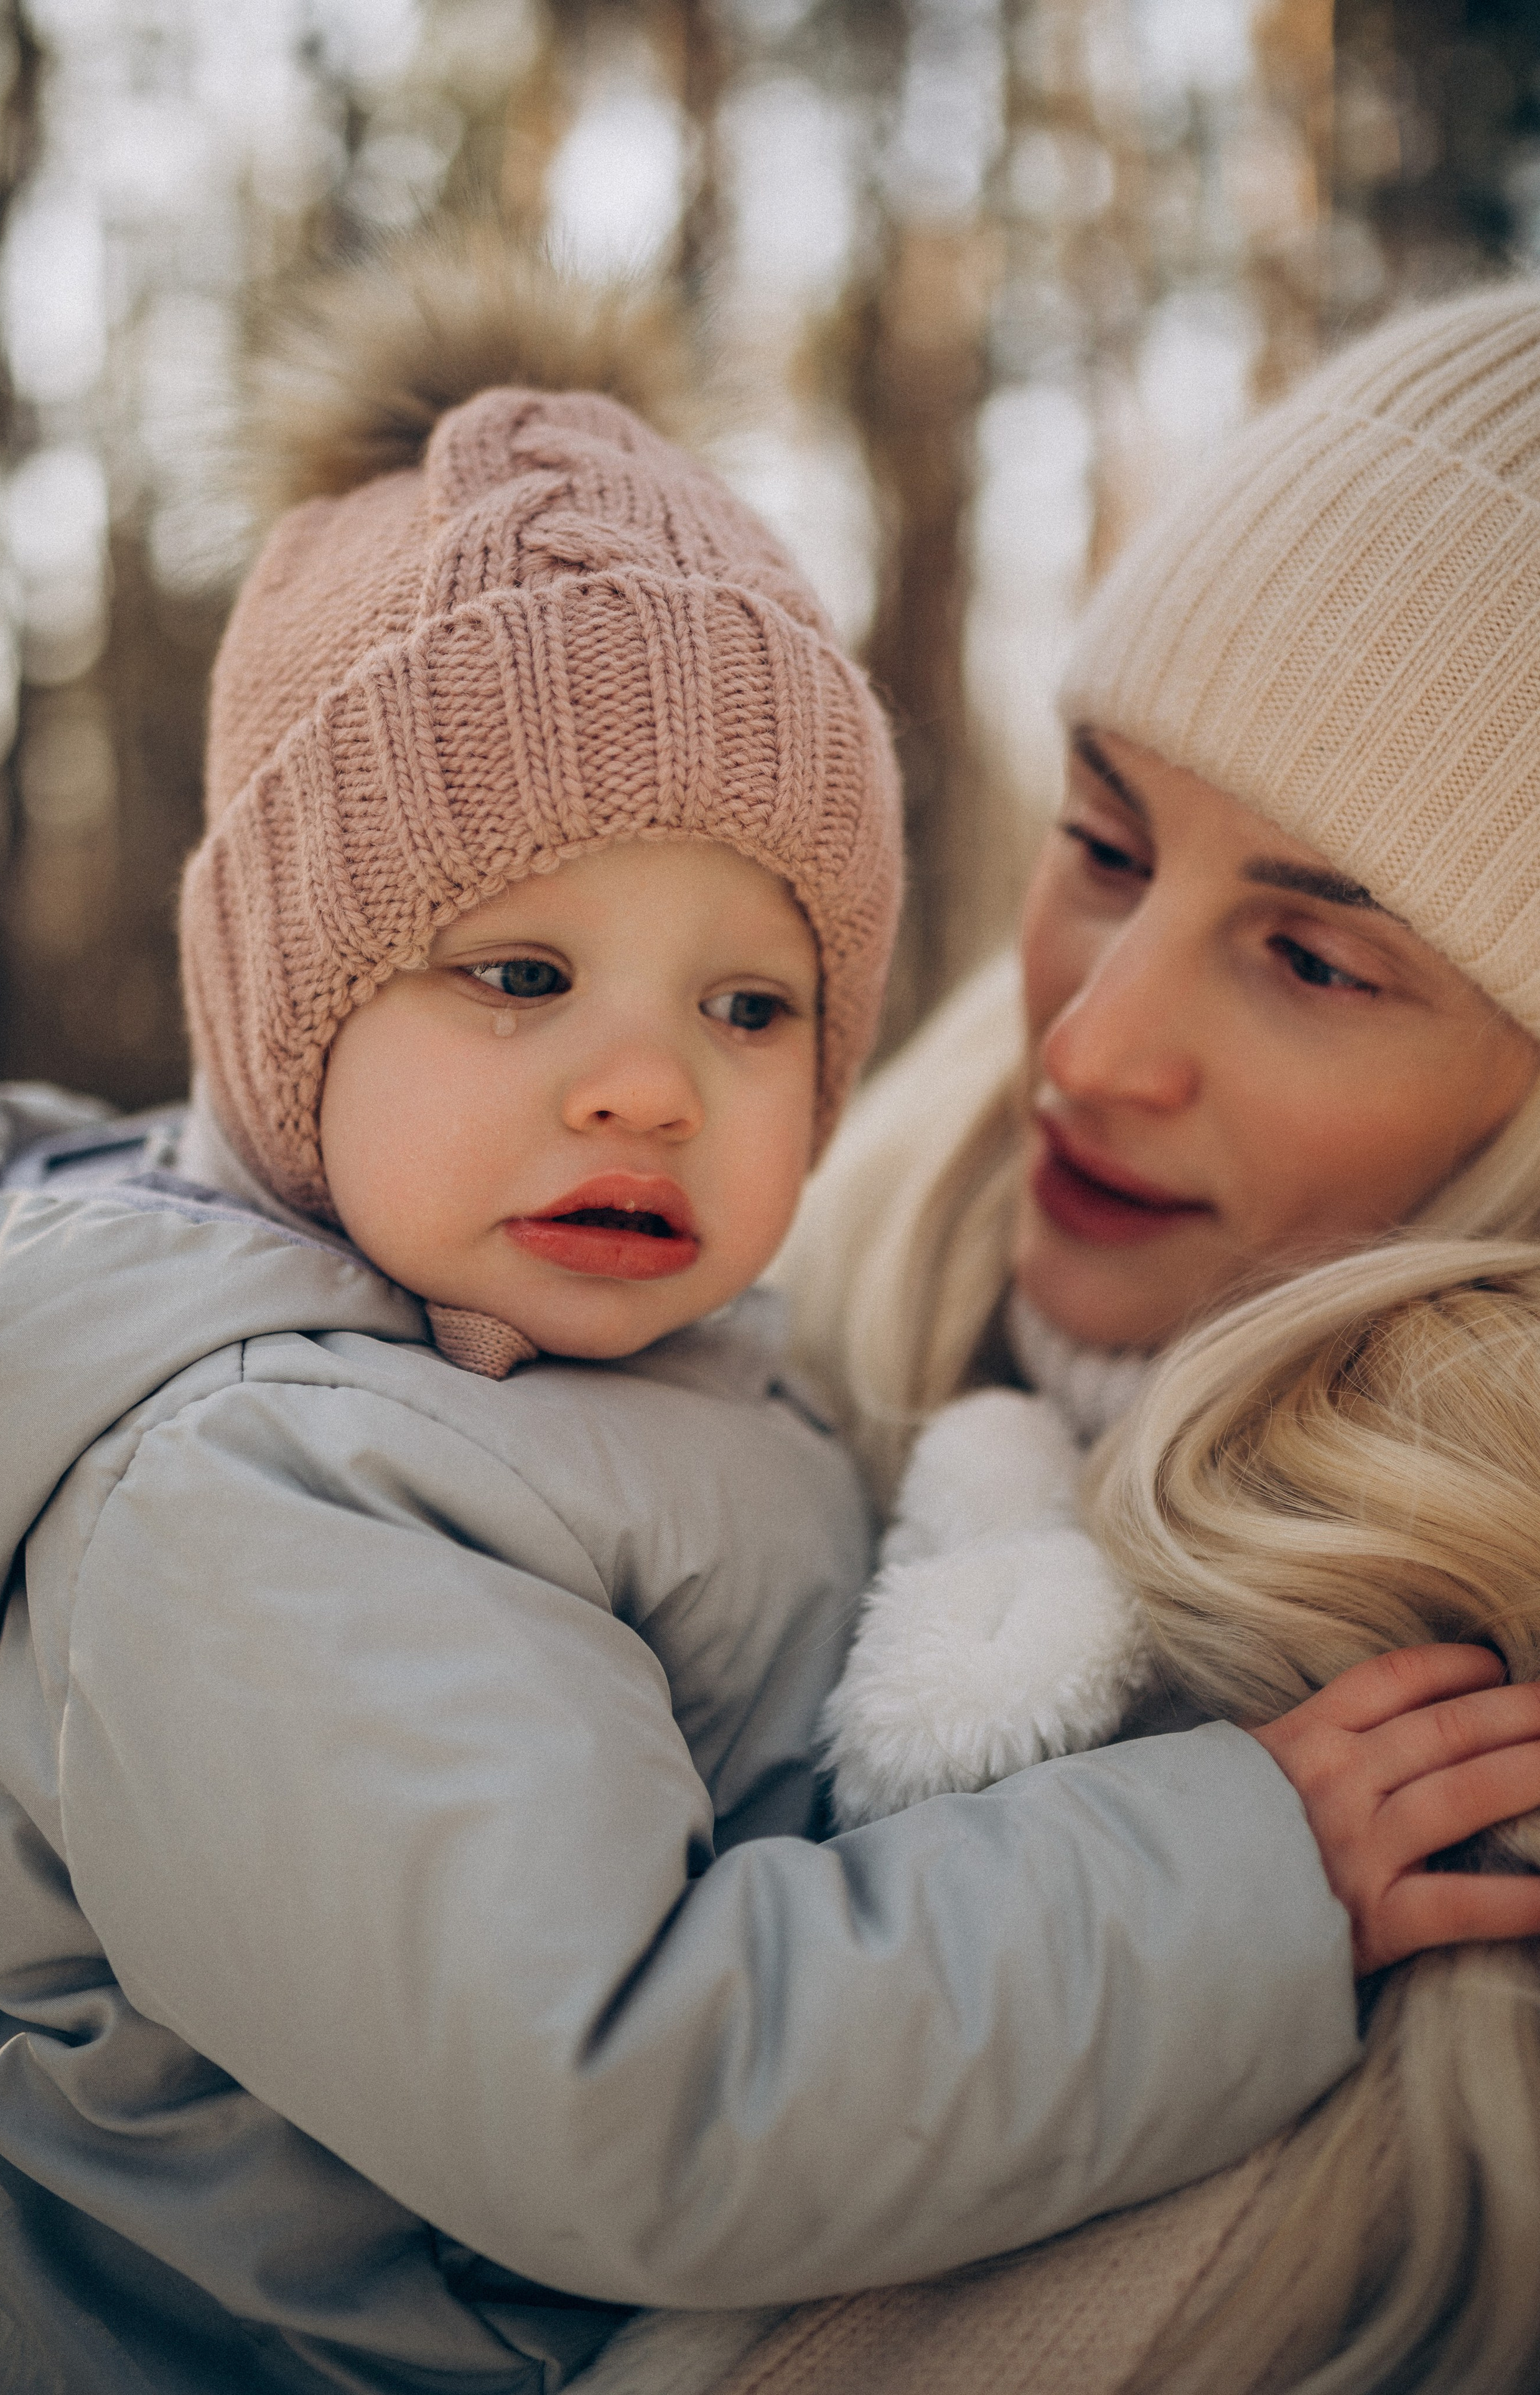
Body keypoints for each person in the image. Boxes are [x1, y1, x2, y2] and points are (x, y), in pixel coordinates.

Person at [0, 233, 1519, 2394]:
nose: (643, 1083)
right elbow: (631, 2091)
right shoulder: (261, 1494)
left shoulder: (646, 1356)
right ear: (282, 1016)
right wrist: (1237, 1882)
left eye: (752, 1003)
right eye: (518, 975)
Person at [574, 279, 1540, 2395]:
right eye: (1103, 845)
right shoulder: (718, 1300)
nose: (1089, 1046)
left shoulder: (1469, 1836)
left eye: (1309, 959)